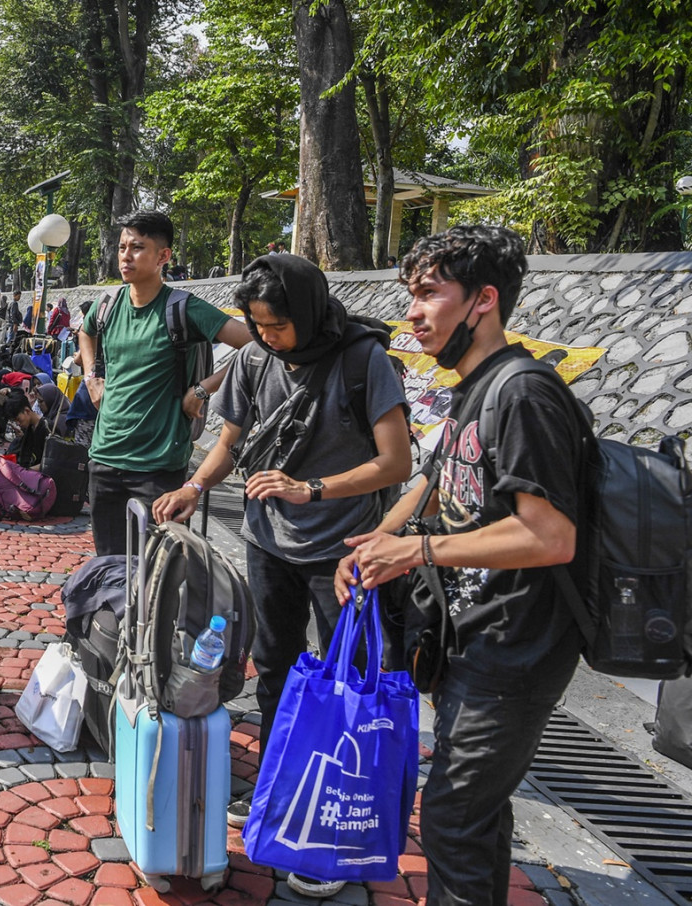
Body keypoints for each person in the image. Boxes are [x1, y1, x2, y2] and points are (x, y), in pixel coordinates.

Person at [337, 225, 585, 906]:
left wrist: (414, 550)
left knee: (451, 817)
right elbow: (434, 483)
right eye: (408, 296)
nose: (412, 312)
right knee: (473, 815)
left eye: (428, 294)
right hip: (473, 639)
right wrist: (371, 546)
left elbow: (550, 536)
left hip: (516, 648)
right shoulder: (473, 388)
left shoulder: (524, 394)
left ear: (484, 300)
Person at [151, 252, 412, 899]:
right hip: (270, 544)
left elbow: (397, 461)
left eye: (277, 325)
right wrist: (194, 485)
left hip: (344, 551)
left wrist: (311, 488)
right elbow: (230, 441)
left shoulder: (361, 360)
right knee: (273, 670)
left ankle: (333, 824)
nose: (267, 336)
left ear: (308, 310)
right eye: (258, 325)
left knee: (346, 683)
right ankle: (278, 790)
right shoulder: (250, 362)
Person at [78, 210, 252, 555]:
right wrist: (90, 377)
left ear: (163, 256)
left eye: (137, 247)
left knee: (160, 574)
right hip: (105, 459)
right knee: (110, 568)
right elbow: (85, 333)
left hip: (158, 467)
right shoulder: (107, 304)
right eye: (122, 247)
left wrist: (203, 389)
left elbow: (256, 348)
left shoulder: (183, 309)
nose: (126, 256)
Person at [5, 392, 49, 469]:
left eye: (18, 419)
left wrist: (26, 471)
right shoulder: (29, 427)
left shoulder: (46, 427)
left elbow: (51, 463)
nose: (18, 423)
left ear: (27, 411)